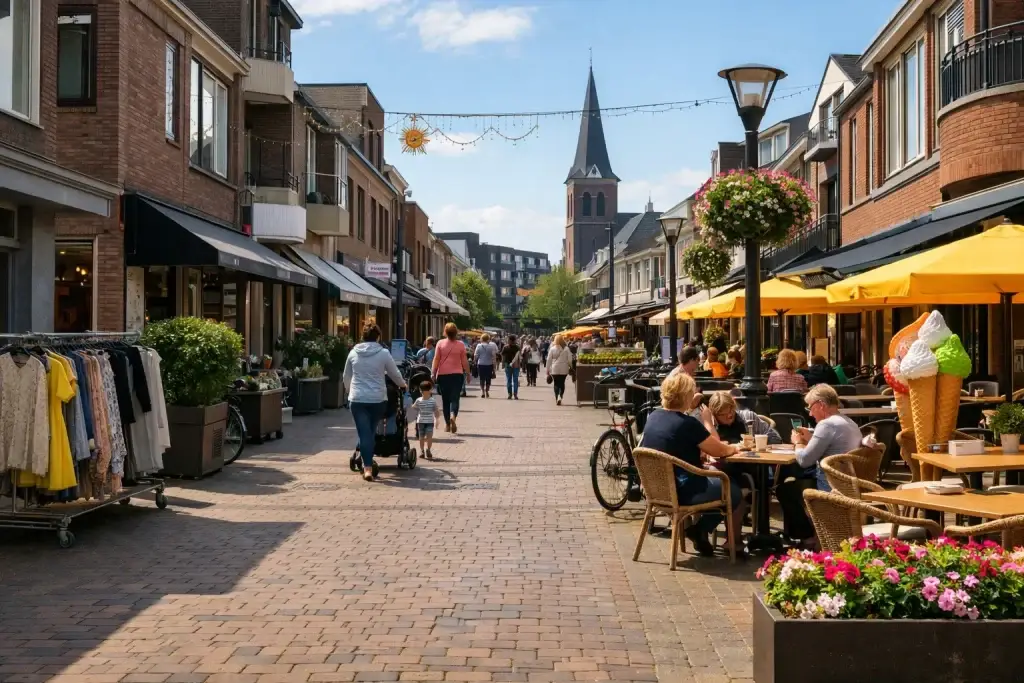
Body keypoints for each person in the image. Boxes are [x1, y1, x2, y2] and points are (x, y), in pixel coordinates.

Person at [639, 372, 746, 556]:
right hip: (683, 489)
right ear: (687, 395)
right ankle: (699, 530)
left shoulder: (654, 417)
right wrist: (735, 448)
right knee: (733, 490)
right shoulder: (688, 424)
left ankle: (700, 531)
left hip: (657, 490)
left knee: (720, 484)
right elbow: (719, 450)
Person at [776, 384, 864, 544]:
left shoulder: (827, 425)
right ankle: (814, 535)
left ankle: (809, 537)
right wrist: (811, 438)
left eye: (810, 407)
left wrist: (798, 443)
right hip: (847, 483)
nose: (809, 413)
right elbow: (832, 446)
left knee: (784, 489)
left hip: (830, 485)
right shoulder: (848, 422)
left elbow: (804, 460)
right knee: (793, 481)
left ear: (821, 405)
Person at [343, 324, 407, 482]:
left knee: (365, 433)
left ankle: (367, 466)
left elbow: (346, 376)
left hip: (357, 399)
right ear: (377, 337)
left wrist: (349, 391)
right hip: (378, 399)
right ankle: (368, 466)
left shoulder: (353, 353)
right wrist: (403, 385)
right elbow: (394, 373)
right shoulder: (383, 353)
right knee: (369, 432)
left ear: (362, 336)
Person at [431, 322, 471, 434]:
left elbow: (436, 359)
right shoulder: (461, 345)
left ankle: (448, 424)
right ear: (456, 332)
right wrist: (468, 373)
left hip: (443, 375)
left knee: (445, 400)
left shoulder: (440, 343)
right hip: (457, 375)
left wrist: (433, 373)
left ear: (445, 332)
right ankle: (453, 416)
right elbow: (464, 361)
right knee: (455, 398)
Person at [702, 392, 780, 445]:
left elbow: (776, 438)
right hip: (723, 465)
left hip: (750, 463)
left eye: (731, 411)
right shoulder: (710, 424)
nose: (729, 416)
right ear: (714, 414)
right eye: (723, 415)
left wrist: (756, 441)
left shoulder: (748, 417)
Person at [412, 379, 442, 460]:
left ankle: (423, 451)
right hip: (428, 421)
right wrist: (437, 419)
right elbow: (436, 411)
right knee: (429, 437)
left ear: (420, 390)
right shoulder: (432, 400)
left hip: (421, 421)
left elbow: (413, 407)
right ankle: (427, 450)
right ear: (430, 390)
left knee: (422, 437)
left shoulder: (419, 400)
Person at [546, 334, 571, 405]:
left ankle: (557, 397)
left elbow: (548, 360)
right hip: (564, 368)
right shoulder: (566, 349)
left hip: (555, 368)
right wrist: (570, 366)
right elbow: (570, 359)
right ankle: (560, 395)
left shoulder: (552, 348)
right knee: (562, 383)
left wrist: (547, 369)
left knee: (556, 383)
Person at [473, 333, 498, 398]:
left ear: (481, 338)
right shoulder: (491, 346)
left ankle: (482, 391)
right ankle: (487, 391)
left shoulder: (478, 346)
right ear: (488, 339)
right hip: (489, 365)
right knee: (488, 379)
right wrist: (494, 367)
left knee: (481, 378)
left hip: (480, 364)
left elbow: (475, 355)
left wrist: (475, 361)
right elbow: (494, 357)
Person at [501, 334, 522, 399]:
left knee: (508, 380)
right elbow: (519, 357)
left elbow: (503, 356)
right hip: (516, 365)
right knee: (515, 380)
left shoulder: (505, 347)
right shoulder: (517, 347)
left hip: (508, 365)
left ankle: (509, 394)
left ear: (509, 340)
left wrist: (503, 364)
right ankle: (515, 394)